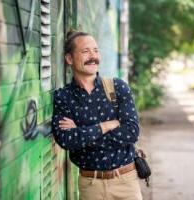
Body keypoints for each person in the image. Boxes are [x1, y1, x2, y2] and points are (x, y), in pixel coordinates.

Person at [52, 30, 143, 200]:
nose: (93, 56)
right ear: (69, 58)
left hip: (125, 182)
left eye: (95, 50)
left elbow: (131, 132)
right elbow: (66, 139)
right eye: (85, 51)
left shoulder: (117, 87)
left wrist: (82, 133)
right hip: (90, 185)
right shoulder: (63, 97)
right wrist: (106, 126)